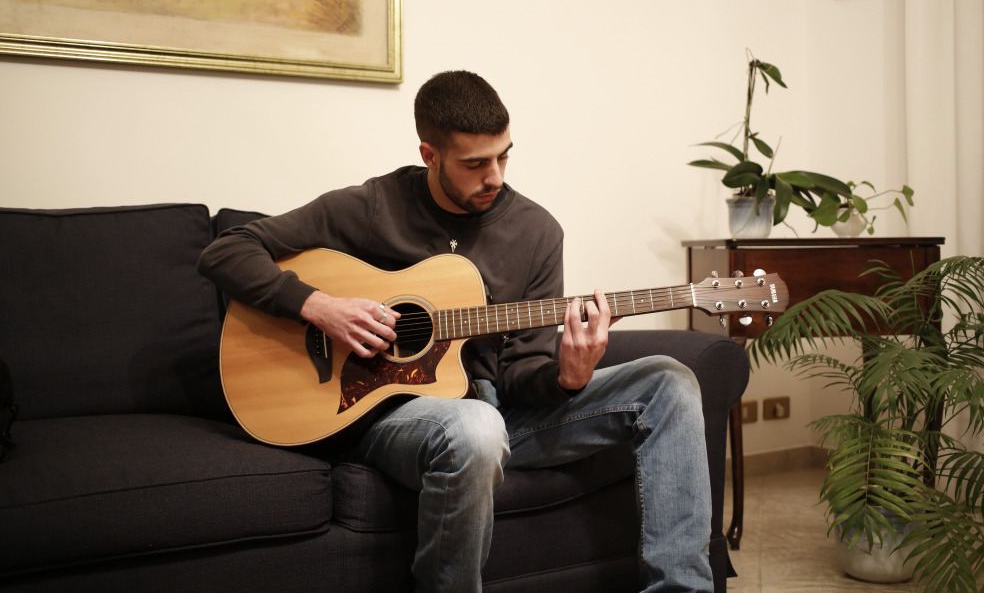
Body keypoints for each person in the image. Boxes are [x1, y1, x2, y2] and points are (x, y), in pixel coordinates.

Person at [197, 70, 714, 593]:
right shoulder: (375, 206)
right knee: (475, 427)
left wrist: (568, 379)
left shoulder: (536, 232)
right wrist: (320, 307)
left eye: (504, 156)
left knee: (670, 382)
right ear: (430, 155)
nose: (495, 176)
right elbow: (227, 251)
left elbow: (519, 375)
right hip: (382, 411)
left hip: (494, 406)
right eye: (475, 164)